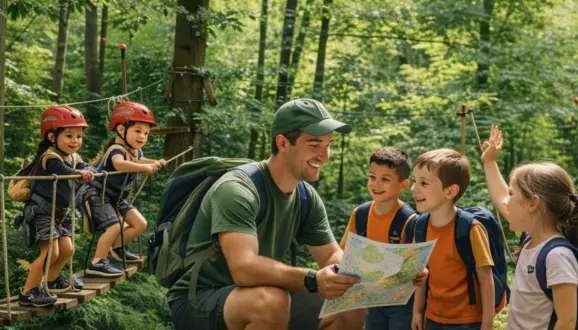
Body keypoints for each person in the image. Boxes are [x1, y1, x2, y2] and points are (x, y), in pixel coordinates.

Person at [167, 98, 420, 330]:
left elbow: (332, 255)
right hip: (199, 300)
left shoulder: (306, 196)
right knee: (271, 301)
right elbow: (244, 268)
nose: (324, 155)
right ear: (282, 142)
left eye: (327, 145)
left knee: (348, 304)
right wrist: (312, 279)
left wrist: (390, 272)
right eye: (314, 144)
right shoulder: (238, 189)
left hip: (260, 294)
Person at [482, 124, 578, 330]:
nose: (507, 201)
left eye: (512, 194)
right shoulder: (531, 238)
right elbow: (501, 198)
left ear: (533, 203)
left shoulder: (556, 256)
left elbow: (567, 322)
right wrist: (489, 162)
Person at [409, 149, 499, 330]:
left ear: (450, 192)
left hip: (468, 320)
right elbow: (420, 273)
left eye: (424, 183)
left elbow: (486, 278)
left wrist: (487, 324)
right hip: (433, 317)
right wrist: (417, 312)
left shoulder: (470, 228)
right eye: (414, 181)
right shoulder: (420, 227)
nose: (414, 188)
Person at [15, 106, 95, 307]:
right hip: (42, 211)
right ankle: (28, 292)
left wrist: (89, 170)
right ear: (52, 137)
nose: (75, 140)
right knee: (51, 252)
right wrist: (82, 174)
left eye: (78, 136)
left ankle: (52, 280)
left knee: (67, 250)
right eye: (69, 135)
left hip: (61, 212)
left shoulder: (73, 157)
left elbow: (83, 166)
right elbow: (64, 171)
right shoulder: (49, 158)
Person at [80, 101, 165, 278]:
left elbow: (138, 161)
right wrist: (145, 168)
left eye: (146, 133)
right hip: (98, 194)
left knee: (140, 224)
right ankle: (97, 262)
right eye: (138, 131)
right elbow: (119, 164)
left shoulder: (135, 151)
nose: (142, 137)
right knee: (114, 226)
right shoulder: (115, 149)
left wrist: (154, 162)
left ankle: (118, 249)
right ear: (121, 130)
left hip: (115, 198)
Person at [339, 146, 417, 330]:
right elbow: (345, 254)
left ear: (403, 185)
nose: (376, 184)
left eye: (385, 179)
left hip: (402, 301)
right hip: (371, 297)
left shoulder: (410, 219)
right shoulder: (360, 214)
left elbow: (416, 265)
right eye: (372, 177)